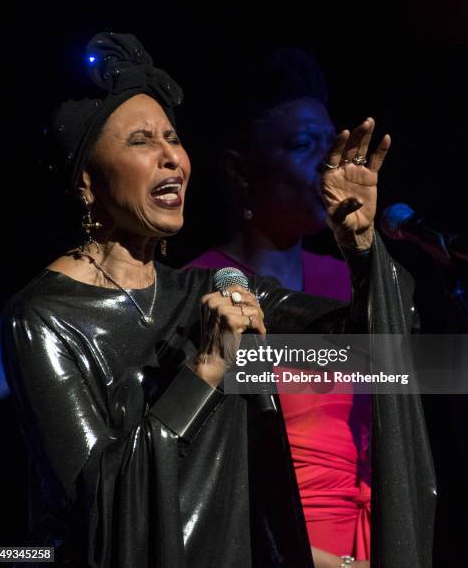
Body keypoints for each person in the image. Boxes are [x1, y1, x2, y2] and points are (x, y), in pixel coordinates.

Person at [0, 32, 435, 568]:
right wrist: (205, 371)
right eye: (141, 140)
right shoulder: (44, 316)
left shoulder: (206, 290)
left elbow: (366, 350)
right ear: (87, 181)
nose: (172, 158)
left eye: (173, 138)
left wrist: (362, 247)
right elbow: (100, 508)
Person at [187, 48, 371, 564]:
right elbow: (209, 468)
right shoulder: (196, 289)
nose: (326, 163)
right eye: (301, 145)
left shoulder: (350, 277)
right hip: (274, 545)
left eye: (331, 144)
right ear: (241, 171)